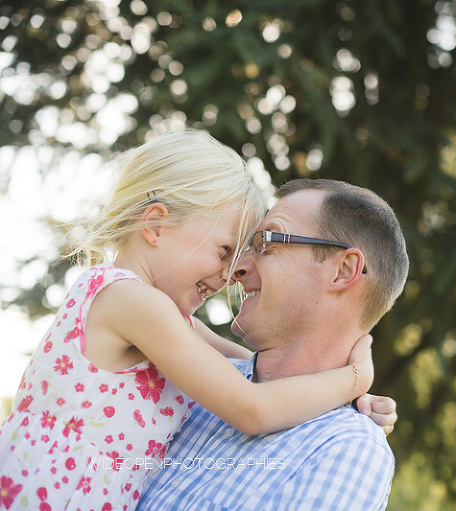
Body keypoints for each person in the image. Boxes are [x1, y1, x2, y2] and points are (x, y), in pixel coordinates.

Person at [0, 132, 385, 511]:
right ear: (155, 226)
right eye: (225, 251)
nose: (230, 273)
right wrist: (356, 377)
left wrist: (347, 397)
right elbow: (252, 405)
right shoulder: (132, 302)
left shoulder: (162, 316)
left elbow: (249, 371)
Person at [138, 178, 409, 510]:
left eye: (265, 242)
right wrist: (351, 381)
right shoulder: (185, 382)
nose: (235, 268)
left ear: (342, 271)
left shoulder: (346, 449)